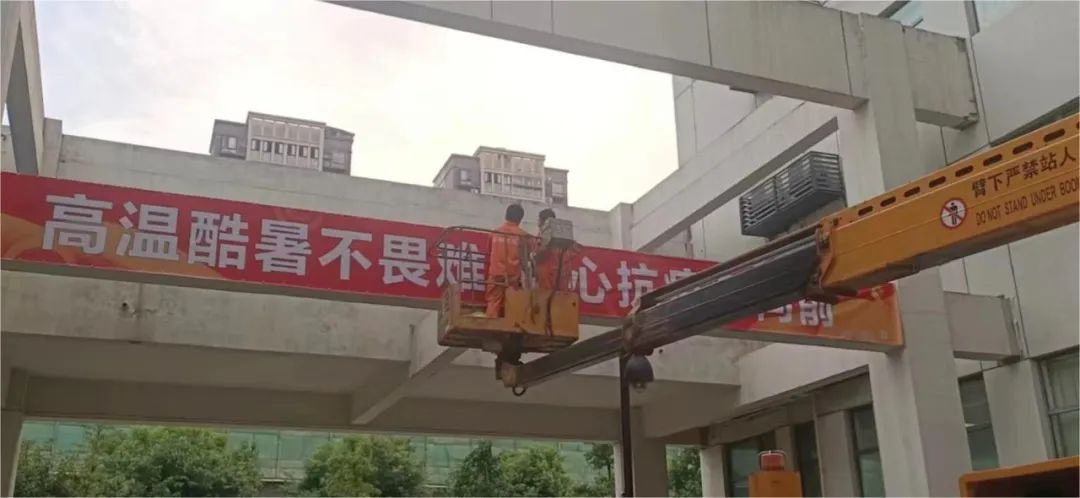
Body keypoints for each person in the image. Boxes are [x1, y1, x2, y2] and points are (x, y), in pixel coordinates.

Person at [485, 203, 530, 318]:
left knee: (493, 301)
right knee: (512, 303)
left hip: (495, 274)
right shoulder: (523, 236)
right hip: (513, 277)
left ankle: (491, 323)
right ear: (520, 219)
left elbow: (488, 253)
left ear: (506, 215)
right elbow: (526, 257)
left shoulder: (495, 233)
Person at [534, 208, 573, 292]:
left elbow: (541, 253)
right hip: (560, 273)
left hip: (546, 273)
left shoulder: (543, 235)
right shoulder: (562, 236)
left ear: (542, 221)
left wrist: (533, 257)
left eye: (539, 220)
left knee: (545, 297)